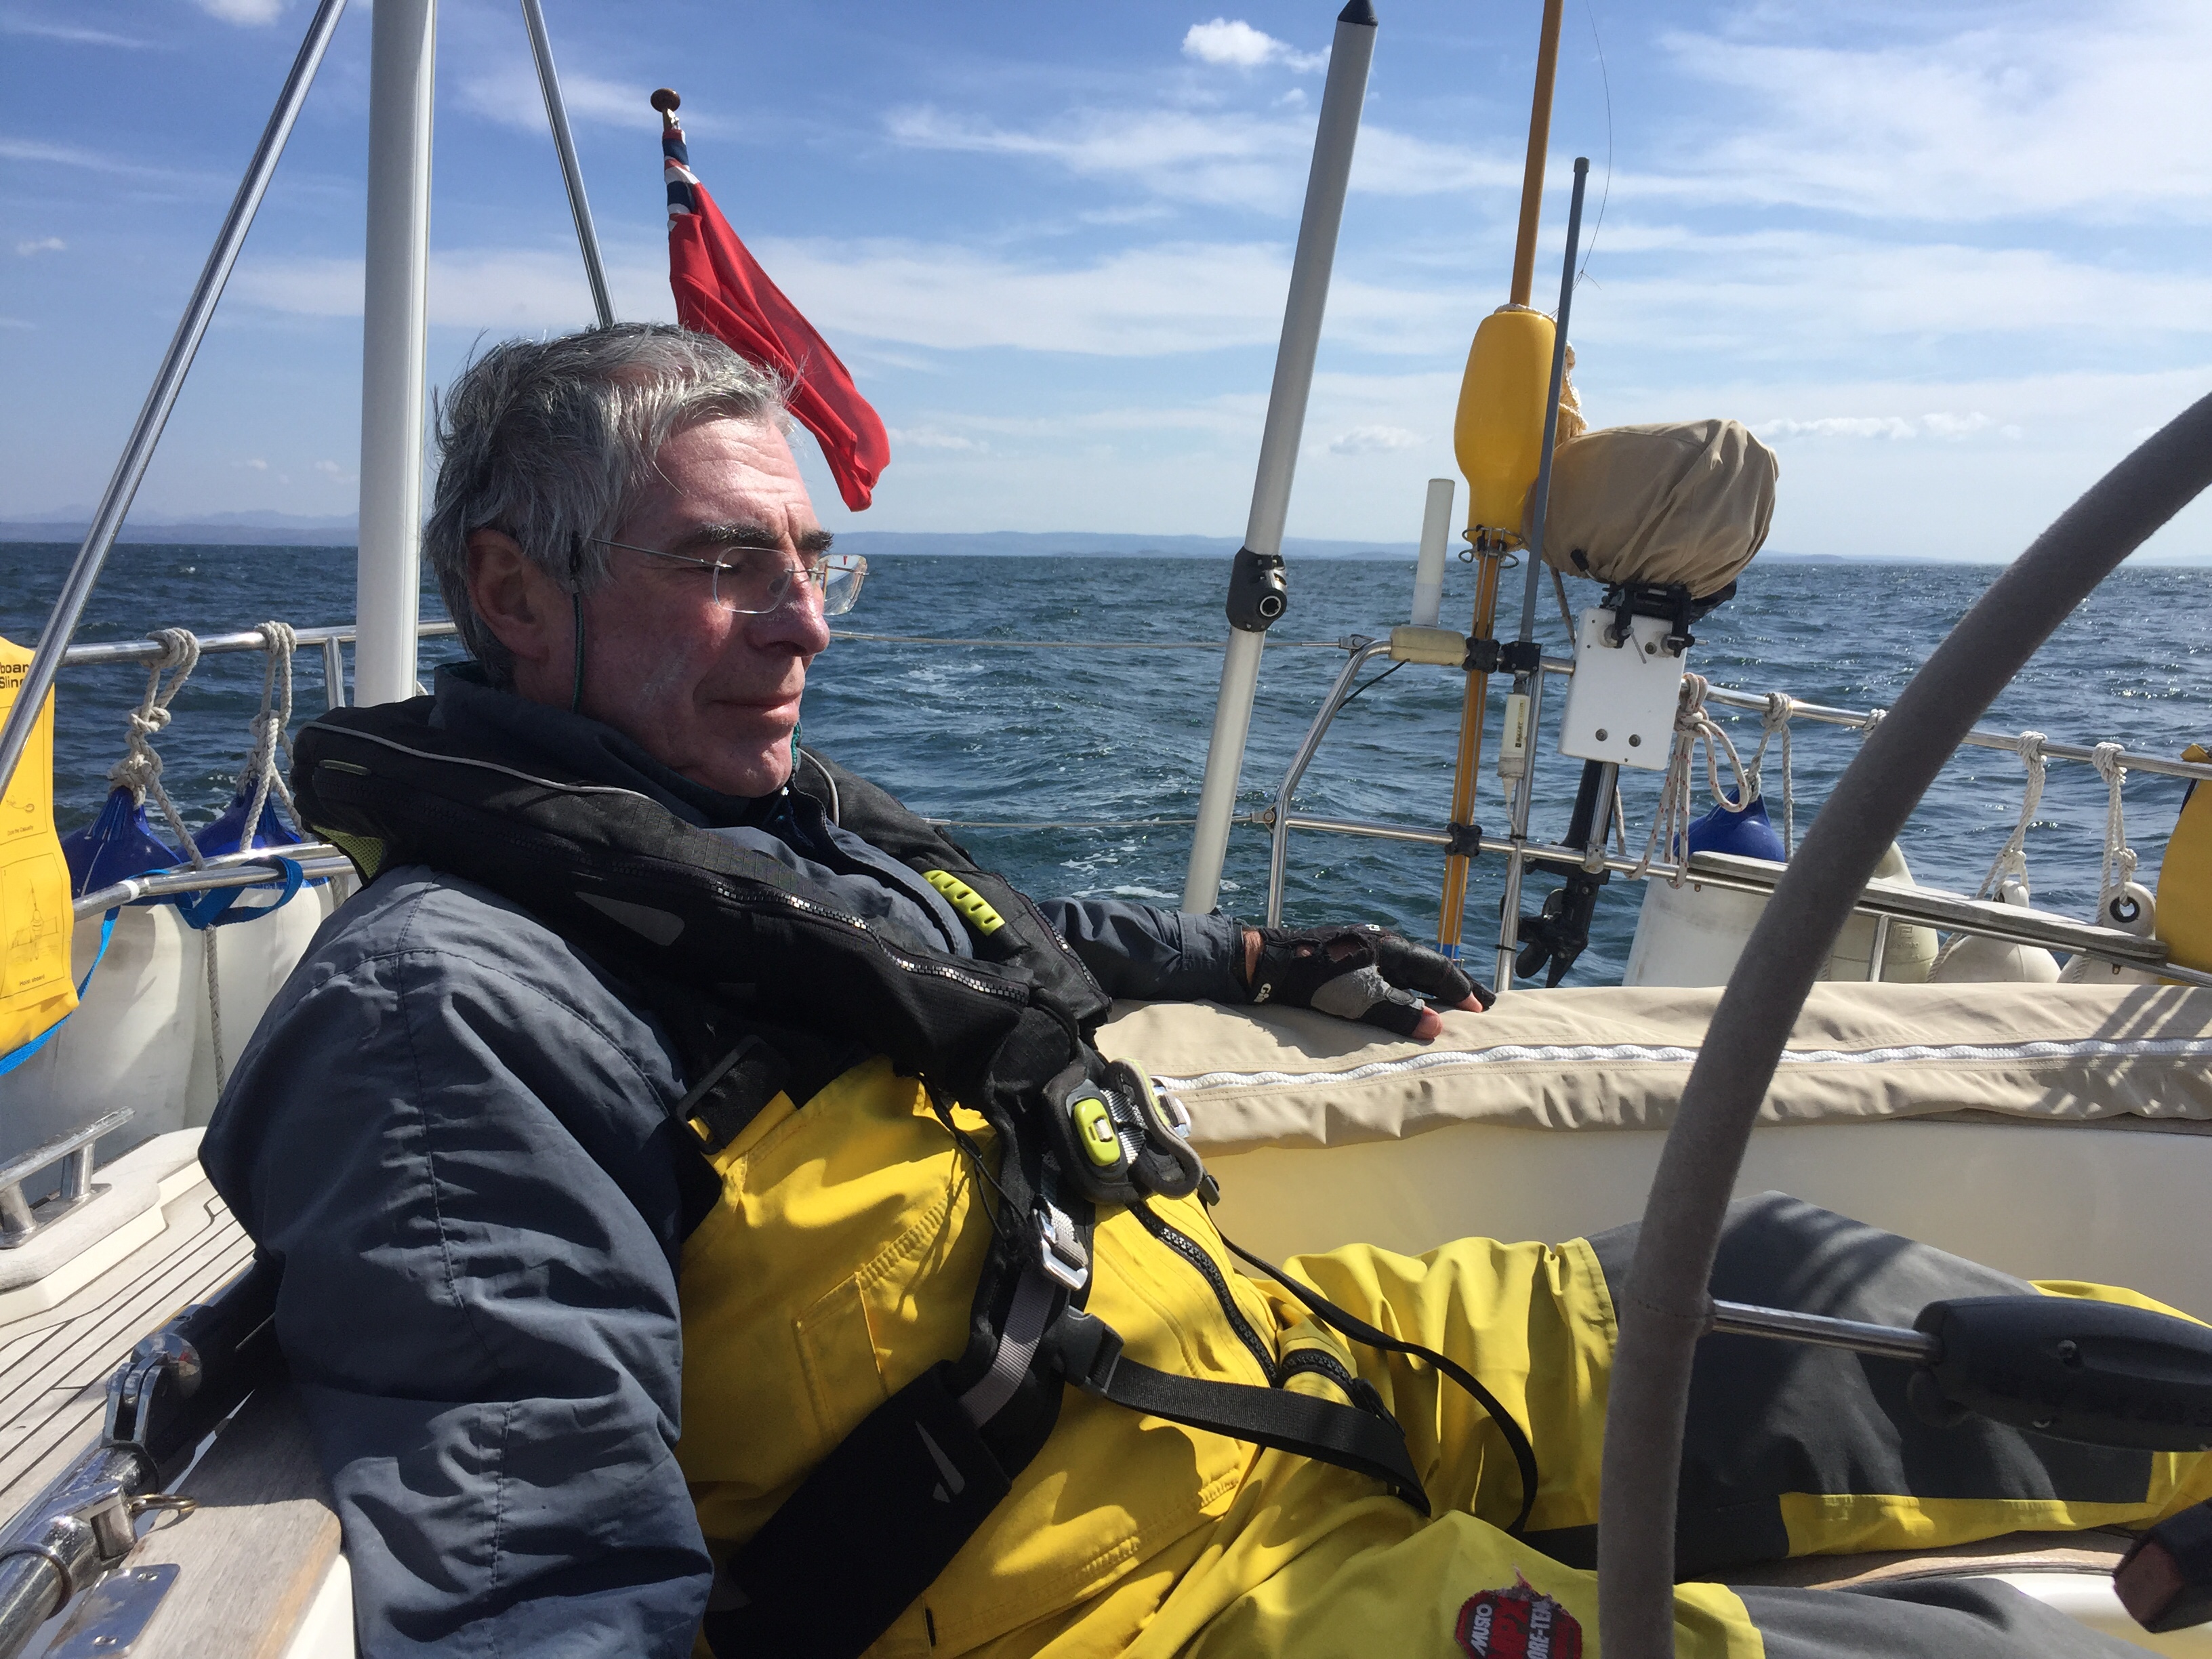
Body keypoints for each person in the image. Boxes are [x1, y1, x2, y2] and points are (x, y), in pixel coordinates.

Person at [204, 325, 2211, 1659]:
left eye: (814, 562)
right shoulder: (448, 1021)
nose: (803, 624)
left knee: (1812, 1286)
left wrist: (1260, 956)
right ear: (510, 592)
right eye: (725, 565)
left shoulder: (756, 845)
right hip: (1157, 1595)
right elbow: (543, 1576)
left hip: (1305, 1360)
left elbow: (1016, 949)